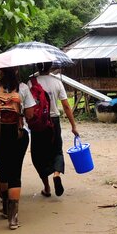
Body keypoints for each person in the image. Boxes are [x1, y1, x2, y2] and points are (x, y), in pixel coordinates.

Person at [0, 67, 36, 230]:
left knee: (2, 167)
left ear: (0, 71)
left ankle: (4, 205)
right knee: (15, 172)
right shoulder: (23, 88)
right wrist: (20, 113)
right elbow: (30, 113)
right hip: (17, 135)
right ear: (16, 71)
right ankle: (13, 218)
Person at [29, 62, 80, 197]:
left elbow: (26, 106)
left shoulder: (30, 83)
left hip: (38, 124)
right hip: (54, 121)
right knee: (57, 150)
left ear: (37, 67)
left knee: (38, 155)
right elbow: (66, 106)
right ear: (51, 66)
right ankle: (56, 174)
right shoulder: (57, 82)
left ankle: (46, 188)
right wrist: (73, 126)